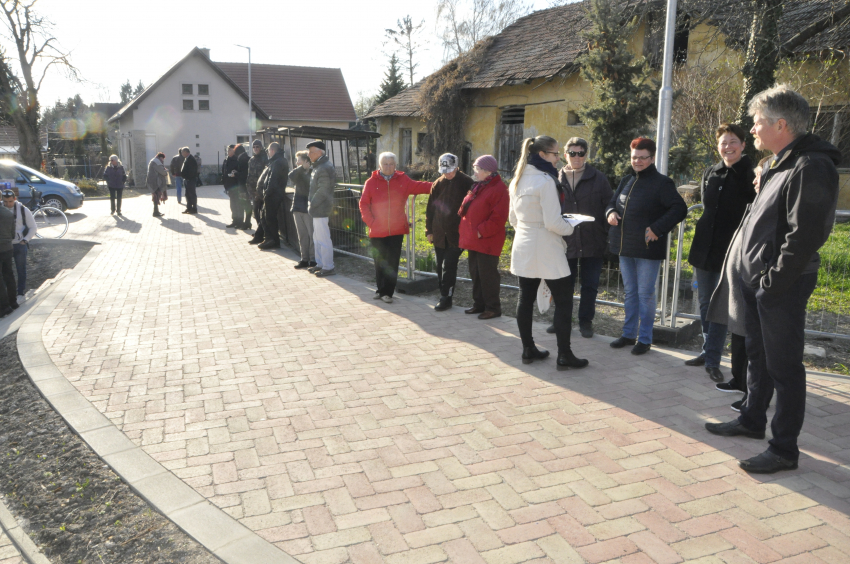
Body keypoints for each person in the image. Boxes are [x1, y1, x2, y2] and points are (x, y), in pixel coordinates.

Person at [706, 84, 840, 474]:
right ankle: (751, 419)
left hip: (781, 285)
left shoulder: (811, 166)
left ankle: (783, 449)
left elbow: (806, 234)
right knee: (758, 358)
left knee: (784, 366)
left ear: (781, 124)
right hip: (761, 282)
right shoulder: (781, 162)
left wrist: (771, 282)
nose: (753, 130)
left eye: (757, 122)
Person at [684, 124, 756, 382]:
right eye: (723, 142)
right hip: (705, 248)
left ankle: (713, 359)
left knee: (721, 305)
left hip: (733, 250)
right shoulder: (711, 172)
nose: (728, 147)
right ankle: (707, 350)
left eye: (733, 141)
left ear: (743, 144)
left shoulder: (752, 174)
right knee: (705, 303)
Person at [509, 136, 588, 369]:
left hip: (523, 243)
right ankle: (564, 354)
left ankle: (528, 349)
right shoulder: (545, 181)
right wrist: (572, 225)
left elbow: (513, 219)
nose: (558, 159)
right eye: (555, 154)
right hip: (546, 245)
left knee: (525, 298)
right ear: (542, 155)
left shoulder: (517, 179)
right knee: (564, 302)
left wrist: (531, 229)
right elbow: (554, 223)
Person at [606, 138, 687, 355]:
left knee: (645, 294)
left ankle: (645, 339)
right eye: (634, 157)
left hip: (648, 249)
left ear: (651, 158)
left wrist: (657, 228)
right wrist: (610, 213)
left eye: (643, 157)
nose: (638, 161)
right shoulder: (626, 180)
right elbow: (612, 203)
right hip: (625, 248)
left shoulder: (662, 183)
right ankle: (628, 334)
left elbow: (679, 208)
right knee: (630, 293)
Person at [706, 156, 772, 412]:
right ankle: (738, 380)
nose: (754, 181)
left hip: (754, 283)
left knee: (754, 344)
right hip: (739, 282)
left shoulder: (771, 204)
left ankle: (752, 395)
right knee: (738, 332)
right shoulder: (758, 200)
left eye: (759, 176)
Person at [546, 137, 613, 338]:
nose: (577, 157)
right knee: (563, 285)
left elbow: (609, 204)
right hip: (564, 242)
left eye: (581, 153)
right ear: (565, 155)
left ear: (586, 155)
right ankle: (561, 321)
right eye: (572, 153)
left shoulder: (598, 178)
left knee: (590, 285)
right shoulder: (554, 178)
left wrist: (609, 223)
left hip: (592, 240)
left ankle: (586, 322)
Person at [359, 152, 433, 302]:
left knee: (392, 261)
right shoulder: (371, 182)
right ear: (379, 165)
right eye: (385, 164)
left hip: (396, 229)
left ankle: (388, 293)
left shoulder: (402, 180)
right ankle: (380, 290)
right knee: (379, 261)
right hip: (377, 230)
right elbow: (364, 204)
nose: (388, 167)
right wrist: (371, 222)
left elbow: (421, 186)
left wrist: (441, 183)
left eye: (391, 164)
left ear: (395, 165)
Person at [459, 155, 509, 320]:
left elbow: (498, 218)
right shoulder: (480, 186)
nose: (475, 171)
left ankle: (493, 308)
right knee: (476, 273)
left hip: (487, 240)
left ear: (488, 171)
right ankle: (479, 304)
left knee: (488, 275)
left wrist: (481, 231)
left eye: (478, 169)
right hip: (474, 239)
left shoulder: (499, 189)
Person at [426, 153, 474, 311]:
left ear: (457, 167)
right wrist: (429, 231)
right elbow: (430, 209)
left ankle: (446, 297)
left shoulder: (466, 182)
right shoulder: (438, 183)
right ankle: (443, 293)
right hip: (439, 233)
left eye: (450, 170)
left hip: (457, 234)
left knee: (449, 266)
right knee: (440, 266)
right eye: (444, 171)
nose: (447, 174)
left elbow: (473, 208)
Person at [306, 141, 336, 277]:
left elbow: (323, 190)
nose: (309, 154)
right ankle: (320, 264)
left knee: (323, 238)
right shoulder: (319, 166)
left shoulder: (323, 167)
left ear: (320, 152)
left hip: (321, 207)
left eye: (311, 152)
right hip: (318, 207)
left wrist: (312, 203)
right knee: (317, 237)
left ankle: (328, 266)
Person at [2, 189, 35, 303]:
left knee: (21, 269)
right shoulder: (2, 209)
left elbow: (33, 227)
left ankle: (20, 292)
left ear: (15, 199)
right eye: (5, 201)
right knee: (6, 271)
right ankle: (8, 295)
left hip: (19, 244)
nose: (7, 204)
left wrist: (25, 240)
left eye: (10, 201)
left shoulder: (23, 210)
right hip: (5, 246)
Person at [256, 142, 290, 250]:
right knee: (265, 217)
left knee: (269, 218)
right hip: (272, 194)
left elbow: (273, 180)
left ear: (272, 151)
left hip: (273, 195)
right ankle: (270, 239)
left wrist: (267, 193)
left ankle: (272, 240)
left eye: (268, 151)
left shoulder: (278, 162)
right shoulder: (277, 161)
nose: (267, 153)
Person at [290, 151, 316, 269]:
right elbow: (290, 176)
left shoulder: (312, 173)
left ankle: (313, 259)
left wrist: (305, 169)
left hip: (307, 209)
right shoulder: (298, 172)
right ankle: (304, 259)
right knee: (302, 235)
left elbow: (307, 186)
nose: (297, 163)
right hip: (297, 208)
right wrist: (301, 168)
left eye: (299, 160)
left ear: (306, 161)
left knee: (311, 234)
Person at [245, 140, 267, 235]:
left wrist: (261, 191)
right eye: (254, 147)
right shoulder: (252, 159)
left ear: (261, 147)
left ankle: (263, 232)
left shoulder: (264, 159)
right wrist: (249, 188)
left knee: (262, 213)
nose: (255, 149)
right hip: (253, 191)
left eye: (257, 147)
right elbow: (249, 175)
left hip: (262, 191)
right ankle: (260, 231)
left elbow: (266, 176)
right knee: (256, 212)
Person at [0, 201, 16, 317]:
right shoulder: (8, 213)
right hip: (8, 247)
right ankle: (13, 302)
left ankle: (4, 307)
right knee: (9, 275)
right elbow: (13, 234)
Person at [222, 145, 241, 228]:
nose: (228, 151)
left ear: (234, 151)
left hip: (235, 185)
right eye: (227, 150)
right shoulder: (226, 160)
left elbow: (239, 172)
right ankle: (234, 220)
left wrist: (235, 174)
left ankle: (238, 221)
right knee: (232, 204)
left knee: (237, 204)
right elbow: (224, 172)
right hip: (229, 185)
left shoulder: (237, 160)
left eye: (230, 150)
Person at [147, 152, 168, 217]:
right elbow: (162, 172)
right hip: (155, 182)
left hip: (152, 181)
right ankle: (155, 212)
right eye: (162, 158)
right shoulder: (157, 162)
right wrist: (166, 171)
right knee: (156, 196)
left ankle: (156, 211)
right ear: (160, 157)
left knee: (155, 196)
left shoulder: (153, 161)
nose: (162, 160)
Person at [180, 148, 198, 214]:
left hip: (190, 180)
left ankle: (194, 208)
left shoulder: (191, 159)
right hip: (187, 179)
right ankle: (189, 208)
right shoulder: (187, 158)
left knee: (192, 194)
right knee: (187, 194)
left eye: (182, 152)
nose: (182, 154)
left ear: (186, 152)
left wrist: (187, 177)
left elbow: (192, 171)